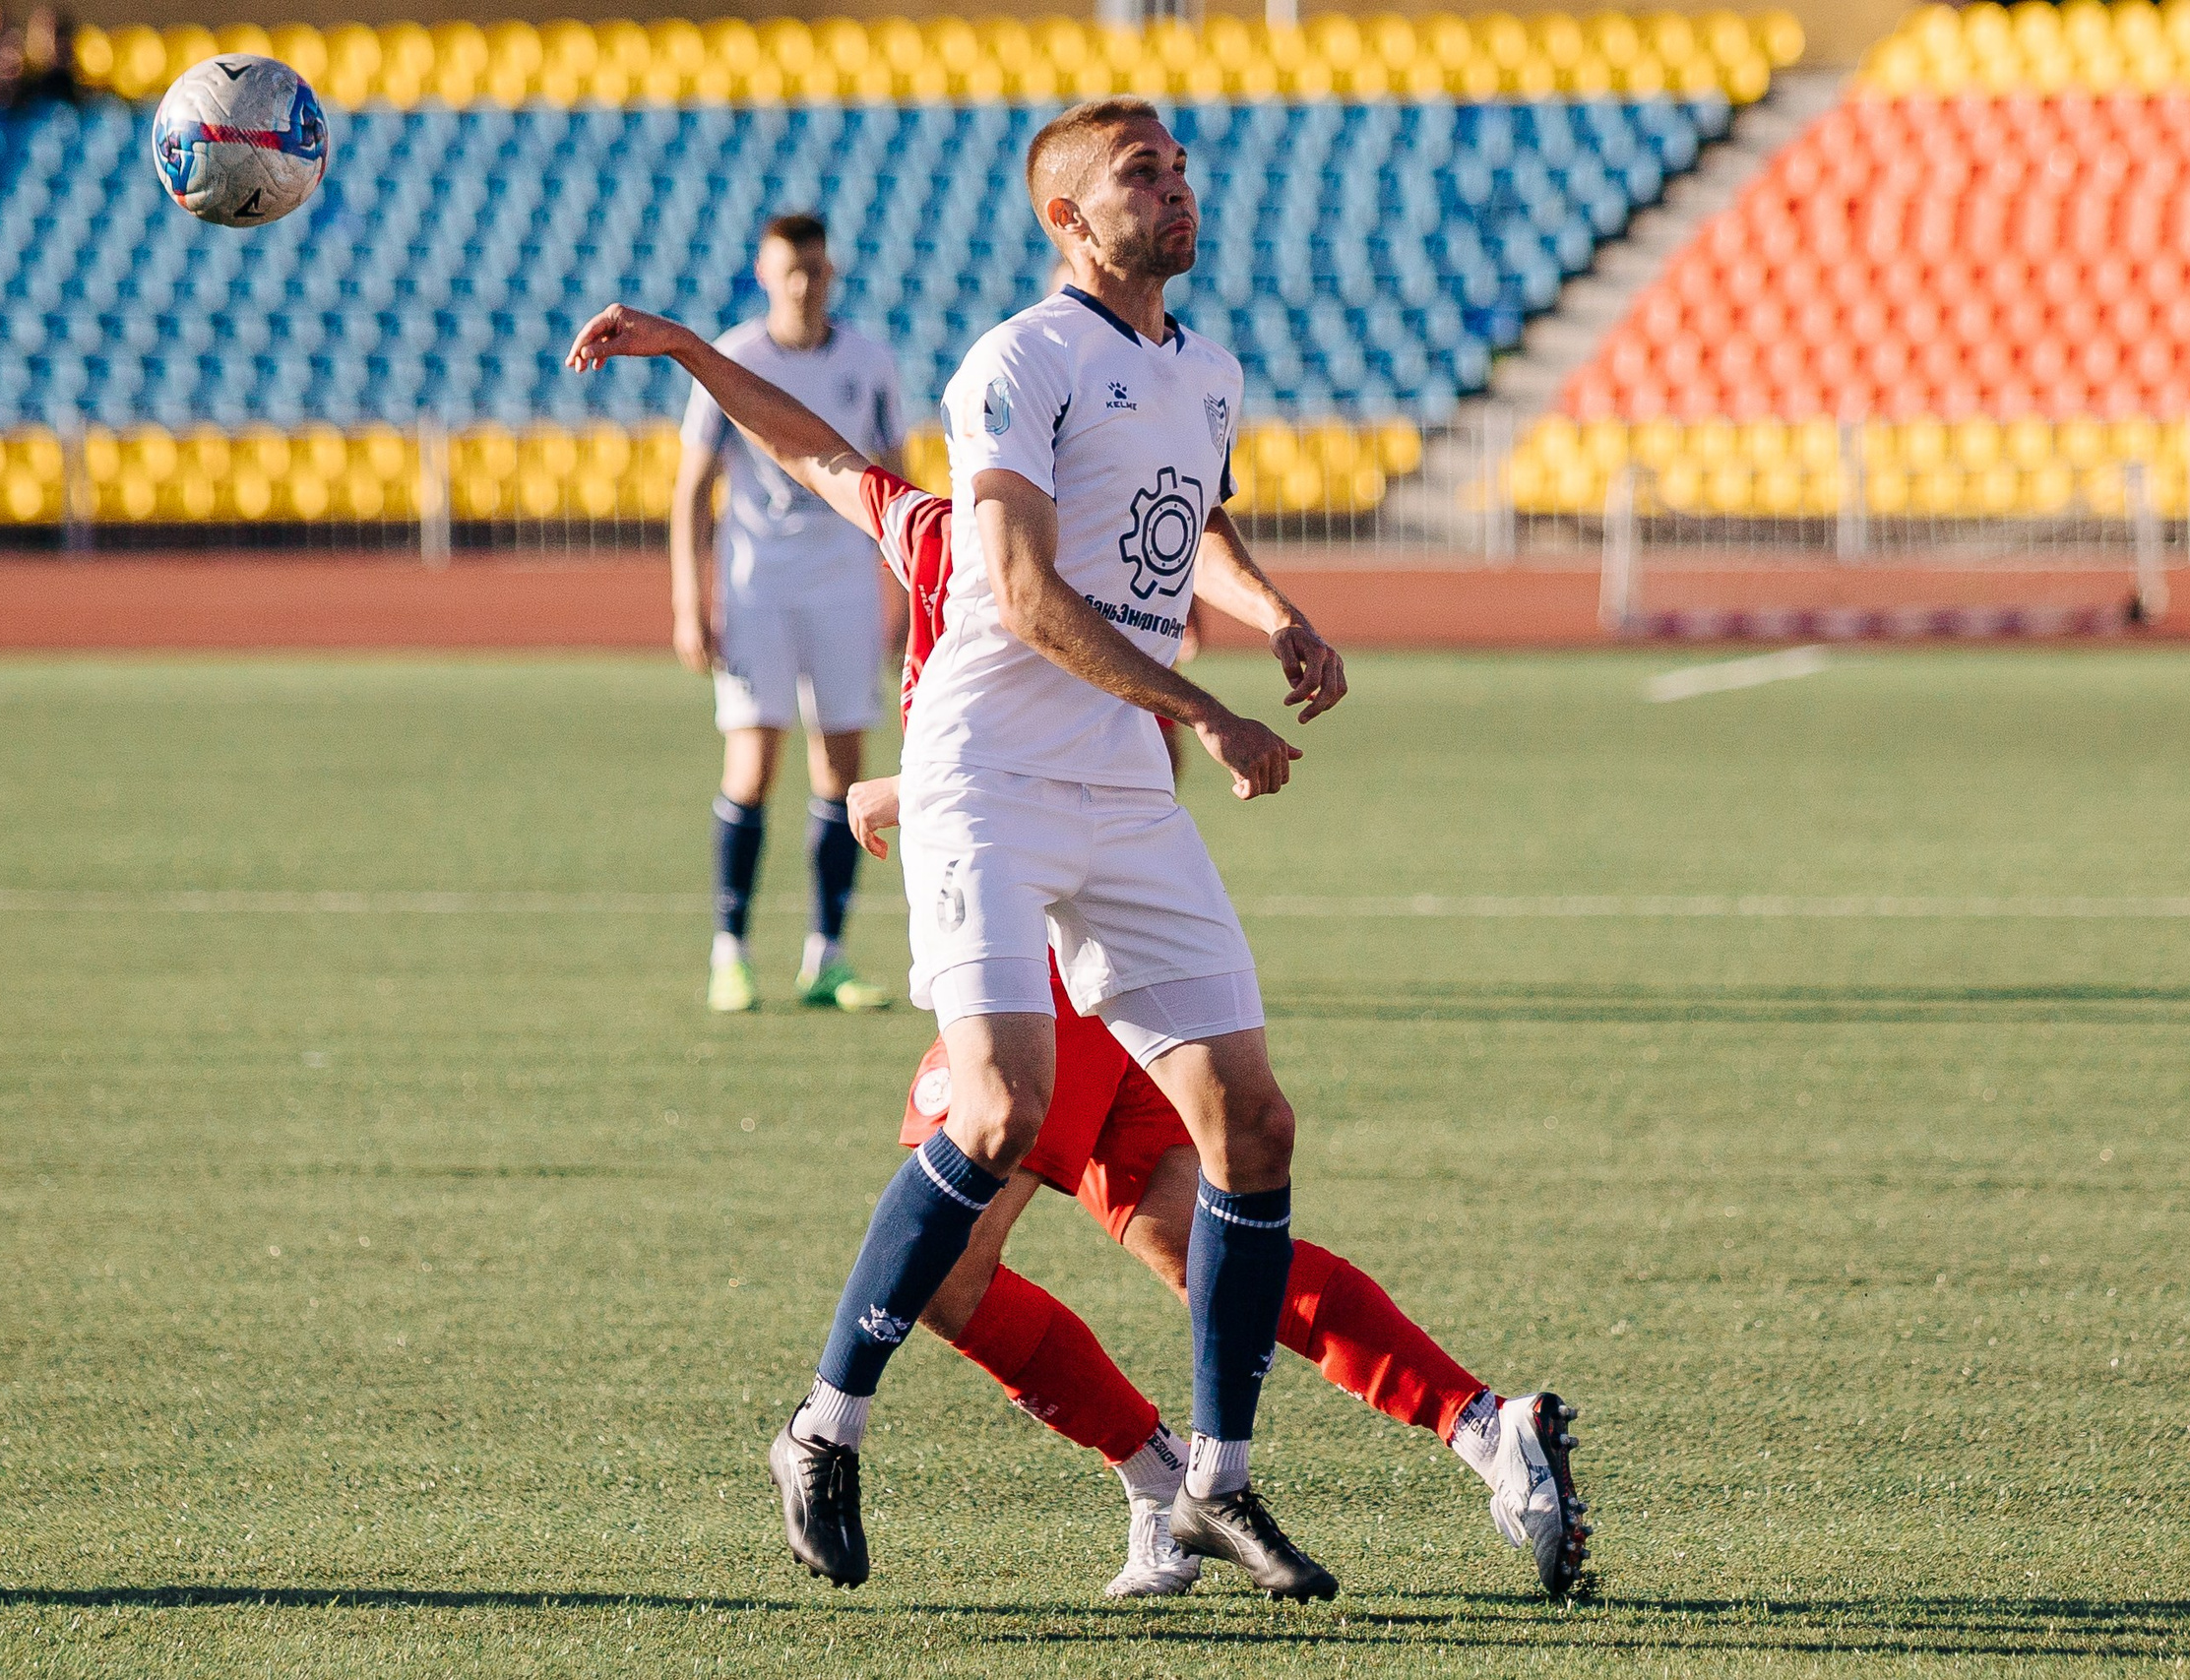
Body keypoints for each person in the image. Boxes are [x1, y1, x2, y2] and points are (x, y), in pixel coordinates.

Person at [564, 301, 1593, 1601]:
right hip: (1071, 890)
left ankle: (1142, 1475)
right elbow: (820, 456)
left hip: (1064, 932)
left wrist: (910, 793)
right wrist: (706, 359)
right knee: (1190, 1230)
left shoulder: (1029, 558)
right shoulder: (951, 534)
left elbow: (1061, 715)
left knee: (954, 1266)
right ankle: (1474, 1424)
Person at [671, 213, 903, 1016]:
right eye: (788, 270)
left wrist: (902, 593)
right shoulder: (735, 360)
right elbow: (694, 487)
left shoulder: (870, 363)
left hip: (841, 581)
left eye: (814, 269)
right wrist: (687, 598)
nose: (803, 283)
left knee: (842, 770)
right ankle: (729, 951)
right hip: (755, 584)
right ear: (765, 275)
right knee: (753, 764)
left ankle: (826, 955)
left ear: (829, 272)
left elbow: (895, 483)